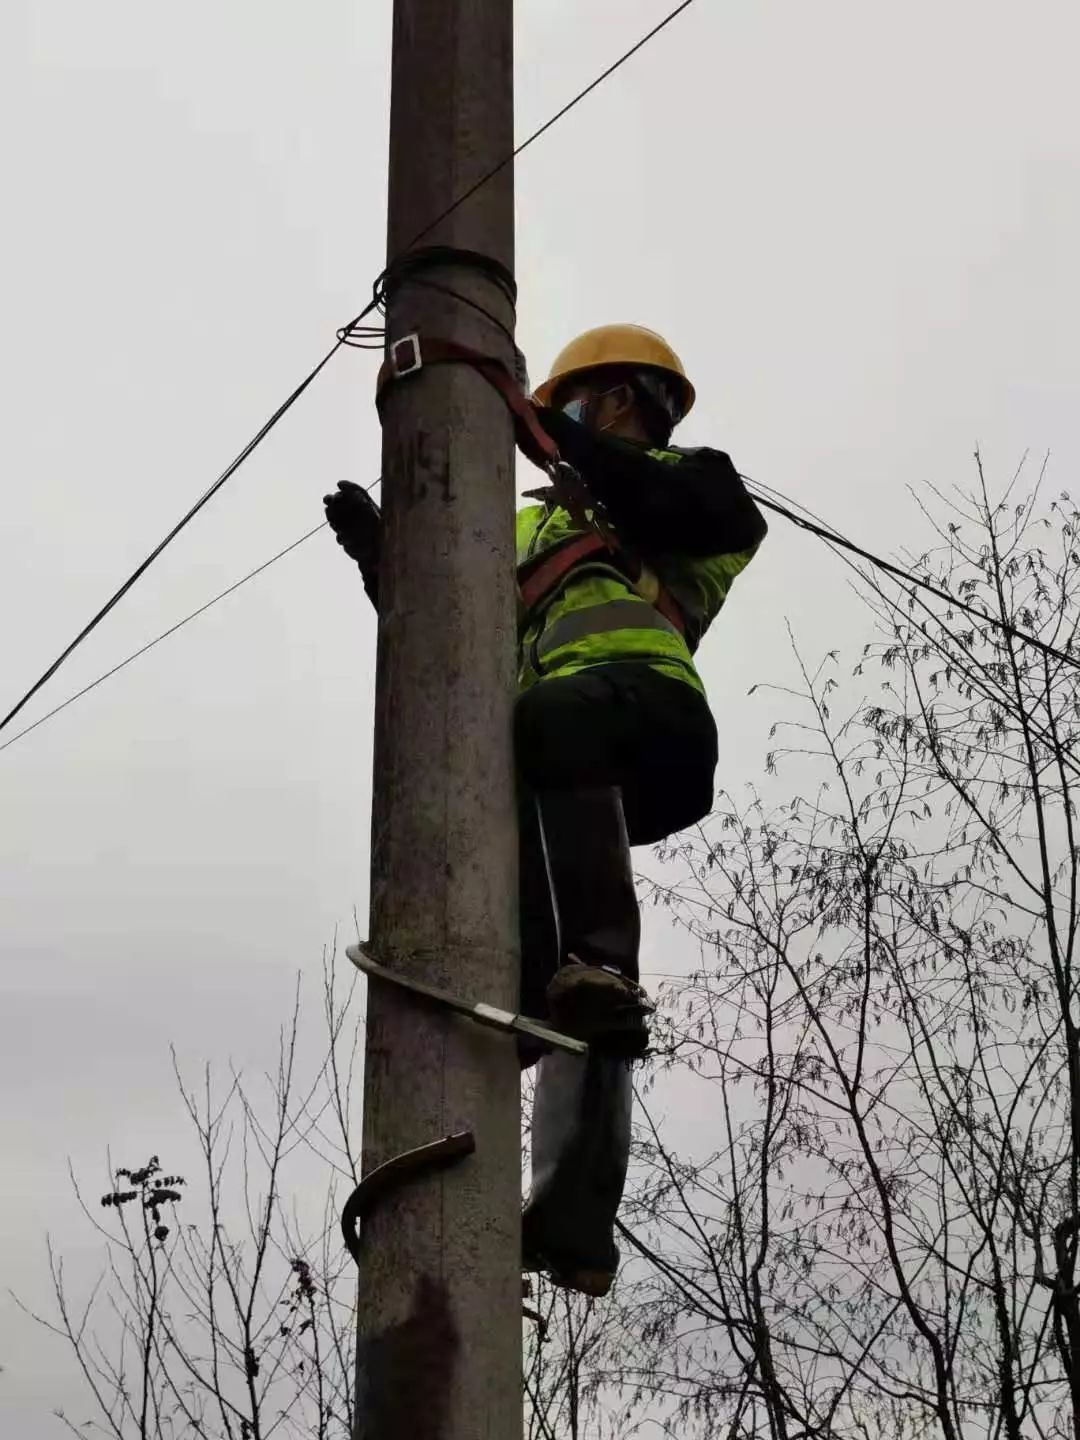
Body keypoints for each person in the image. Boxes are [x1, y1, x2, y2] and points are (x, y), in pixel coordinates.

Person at [324, 323, 766, 1295]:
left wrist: (549, 435)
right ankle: (573, 1215)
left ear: (618, 402)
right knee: (565, 993)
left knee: (558, 740)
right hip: (553, 766)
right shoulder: (523, 527)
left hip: (648, 723)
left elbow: (685, 508)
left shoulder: (700, 484)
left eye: (577, 406)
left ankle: (596, 962)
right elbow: (446, 612)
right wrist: (384, 556)